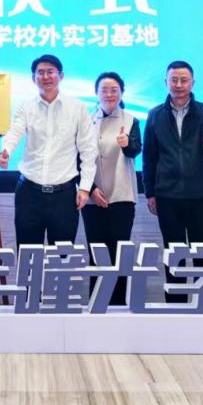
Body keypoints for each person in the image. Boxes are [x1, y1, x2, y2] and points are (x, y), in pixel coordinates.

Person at [141, 60, 203, 303]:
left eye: (184, 80)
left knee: (202, 252)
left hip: (200, 196)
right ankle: (176, 307)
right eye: (173, 80)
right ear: (166, 82)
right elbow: (149, 157)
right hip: (168, 197)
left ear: (192, 83)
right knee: (174, 254)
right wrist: (150, 193)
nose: (178, 84)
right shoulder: (155, 114)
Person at [0, 54, 97, 246]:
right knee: (28, 254)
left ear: (61, 76)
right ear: (33, 78)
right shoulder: (26, 107)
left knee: (62, 256)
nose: (45, 76)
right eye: (40, 72)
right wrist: (6, 150)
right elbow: (15, 131)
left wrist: (85, 188)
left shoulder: (77, 108)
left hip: (64, 195)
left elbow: (88, 150)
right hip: (29, 192)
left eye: (50, 72)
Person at [83, 72, 141, 305]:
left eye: (114, 90)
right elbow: (77, 157)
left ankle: (119, 305)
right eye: (104, 90)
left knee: (119, 254)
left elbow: (136, 150)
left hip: (122, 195)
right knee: (96, 253)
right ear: (96, 93)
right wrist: (91, 189)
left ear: (122, 92)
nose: (109, 94)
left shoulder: (131, 120)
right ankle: (96, 304)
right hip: (91, 197)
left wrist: (127, 144)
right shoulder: (86, 120)